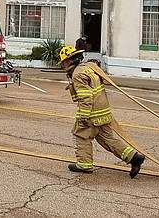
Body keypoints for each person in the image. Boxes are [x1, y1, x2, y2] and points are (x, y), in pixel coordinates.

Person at [59, 45, 146, 177]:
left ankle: (84, 164)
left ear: (68, 61)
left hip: (92, 114)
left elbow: (85, 96)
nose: (64, 66)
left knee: (81, 136)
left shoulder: (78, 74)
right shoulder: (88, 68)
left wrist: (83, 117)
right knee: (107, 139)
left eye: (64, 63)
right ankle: (134, 158)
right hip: (104, 113)